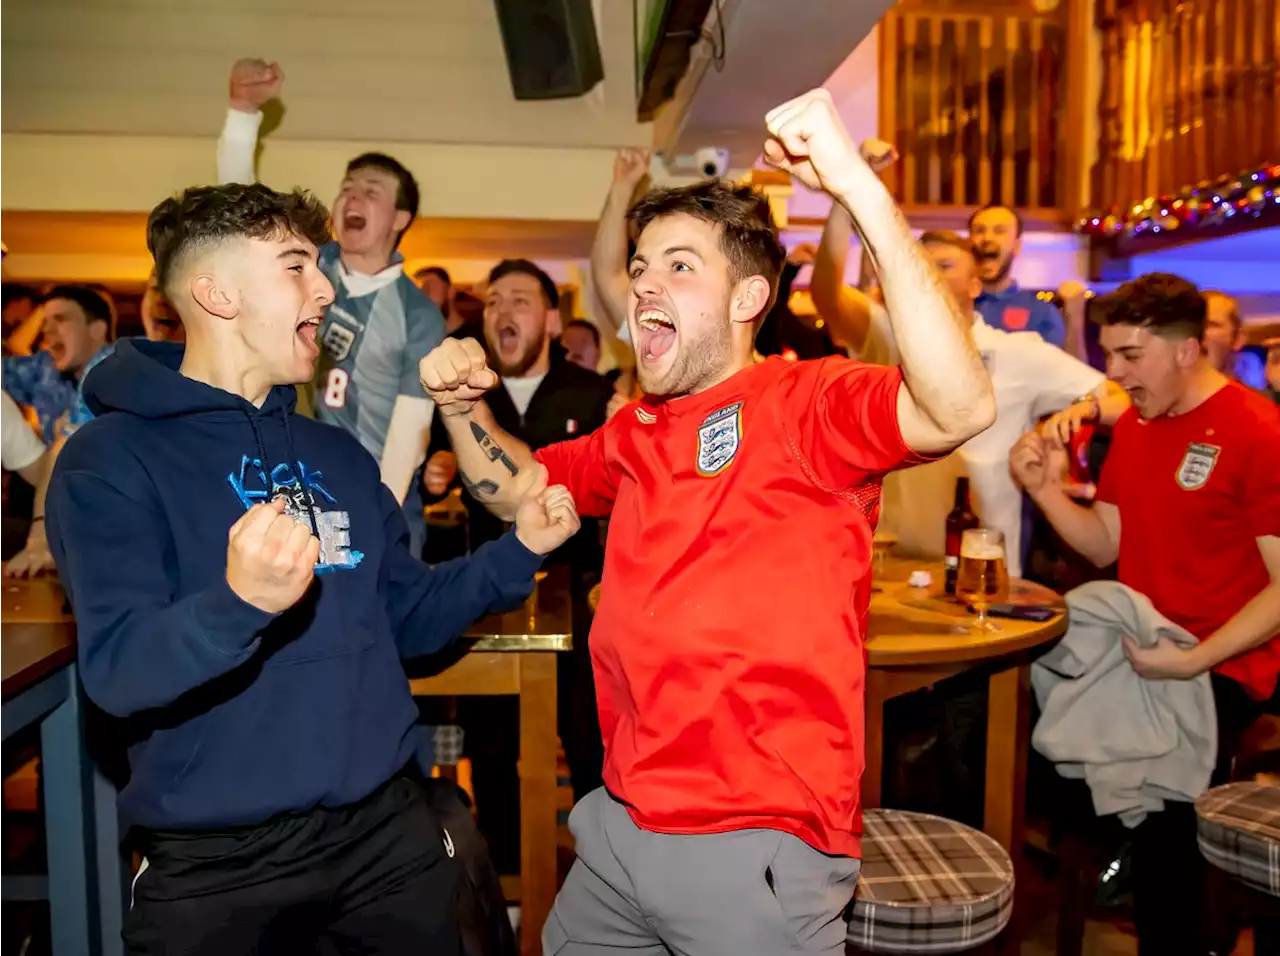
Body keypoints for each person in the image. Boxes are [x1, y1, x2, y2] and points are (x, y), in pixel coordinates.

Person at [421, 88, 996, 955]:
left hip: (752, 841)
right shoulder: (639, 429)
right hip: (617, 828)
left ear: (747, 298)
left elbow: (956, 406)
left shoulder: (808, 398)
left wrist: (859, 193)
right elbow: (525, 490)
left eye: (680, 265)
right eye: (642, 266)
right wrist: (463, 410)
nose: (647, 282)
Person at [46, 182, 581, 956]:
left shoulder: (334, 454)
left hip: (385, 840)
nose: (326, 284)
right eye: (297, 264)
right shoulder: (108, 460)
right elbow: (120, 670)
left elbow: (408, 621)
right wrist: (237, 603)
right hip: (217, 866)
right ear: (215, 293)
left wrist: (518, 548)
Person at [1010, 272, 1280, 956]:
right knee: (1003, 729)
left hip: (1228, 659)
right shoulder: (1137, 424)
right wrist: (1043, 490)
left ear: (1189, 350)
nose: (1115, 373)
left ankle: (1166, 900)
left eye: (1131, 355)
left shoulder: (1259, 432)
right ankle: (1120, 852)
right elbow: (1107, 542)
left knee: (1164, 813)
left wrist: (1192, 658)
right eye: (1110, 355)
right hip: (1140, 643)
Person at [811, 220, 1127, 575]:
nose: (928, 275)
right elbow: (826, 292)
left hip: (980, 567)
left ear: (975, 285)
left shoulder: (1016, 351)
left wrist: (1079, 414)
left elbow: (1122, 397)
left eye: (943, 266)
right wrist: (841, 198)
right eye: (920, 266)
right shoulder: (888, 338)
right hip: (888, 560)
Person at [217, 58, 442, 555]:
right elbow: (241, 217)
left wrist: (376, 512)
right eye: (347, 187)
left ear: (400, 218)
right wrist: (242, 115)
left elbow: (410, 436)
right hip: (285, 492)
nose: (352, 196)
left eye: (371, 191)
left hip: (379, 500)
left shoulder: (419, 315)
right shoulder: (302, 264)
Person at [968, 204, 1088, 357]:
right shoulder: (952, 303)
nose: (987, 238)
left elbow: (1074, 374)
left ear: (1017, 246)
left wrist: (1075, 317)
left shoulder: (1041, 311)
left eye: (999, 231)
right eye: (979, 230)